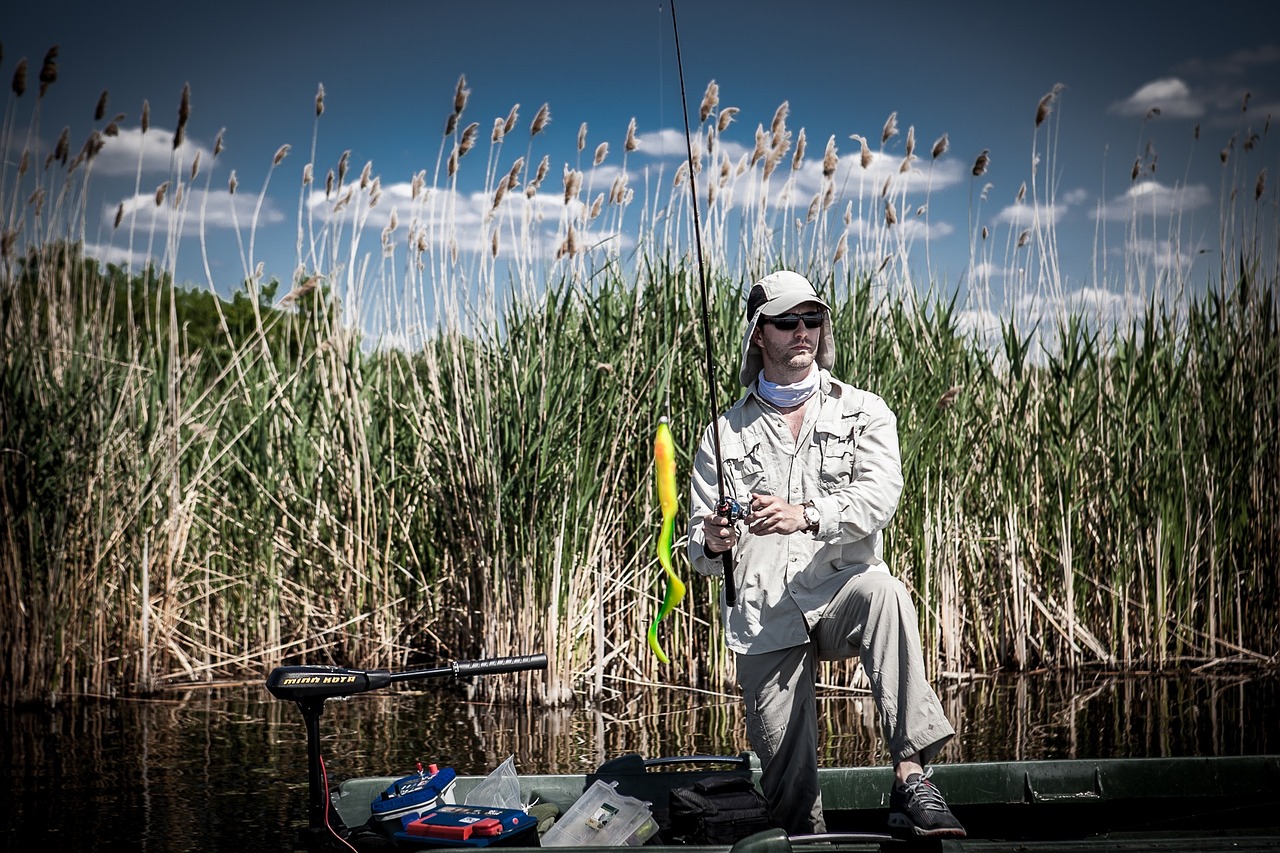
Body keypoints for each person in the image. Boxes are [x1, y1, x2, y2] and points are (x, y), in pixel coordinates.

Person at [687, 270, 966, 838]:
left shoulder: (865, 410)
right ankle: (806, 841)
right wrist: (712, 543)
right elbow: (695, 547)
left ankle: (912, 780)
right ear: (759, 335)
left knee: (884, 592)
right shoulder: (722, 434)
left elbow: (880, 497)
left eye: (812, 320)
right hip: (766, 617)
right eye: (787, 322)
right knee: (790, 799)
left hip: (841, 591)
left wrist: (807, 513)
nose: (802, 332)